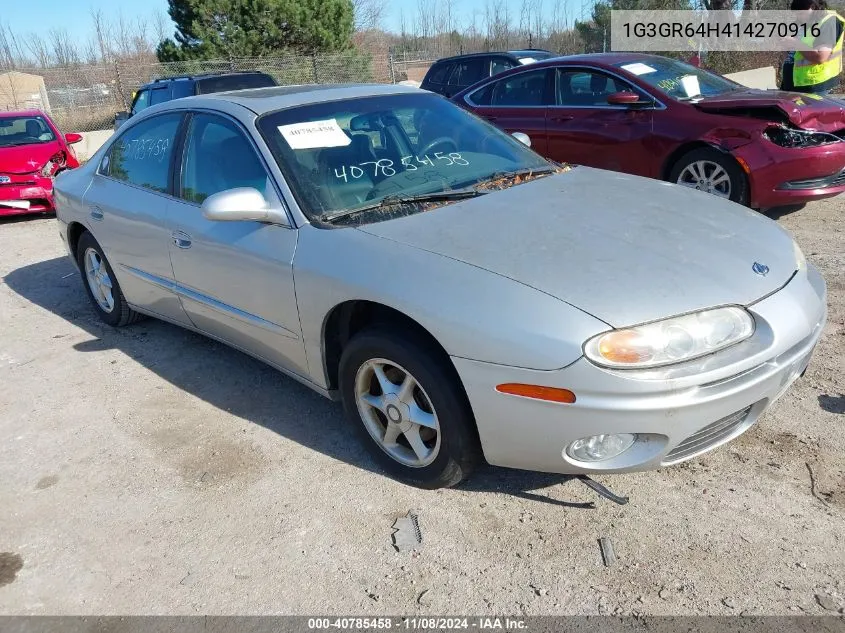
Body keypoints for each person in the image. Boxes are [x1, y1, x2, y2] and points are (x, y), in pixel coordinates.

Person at [780, 0, 845, 94]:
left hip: (814, 86)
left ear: (813, 7)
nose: (799, 17)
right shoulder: (803, 22)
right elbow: (792, 53)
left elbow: (821, 57)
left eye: (801, 13)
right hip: (792, 83)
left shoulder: (829, 22)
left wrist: (796, 43)